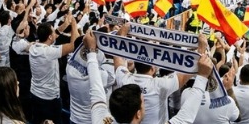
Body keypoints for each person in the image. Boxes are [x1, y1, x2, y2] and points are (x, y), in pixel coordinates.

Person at [83, 29, 211, 124]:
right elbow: (185, 116)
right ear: (138, 114)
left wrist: (118, 38)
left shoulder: (103, 120)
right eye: (143, 102)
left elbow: (97, 91)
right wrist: (200, 55)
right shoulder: (160, 85)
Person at [29, 11, 80, 124]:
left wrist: (65, 24)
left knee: (38, 121)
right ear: (50, 37)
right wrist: (74, 24)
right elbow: (73, 45)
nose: (55, 32)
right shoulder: (49, 52)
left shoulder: (33, 47)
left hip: (35, 93)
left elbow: (54, 34)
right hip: (49, 98)